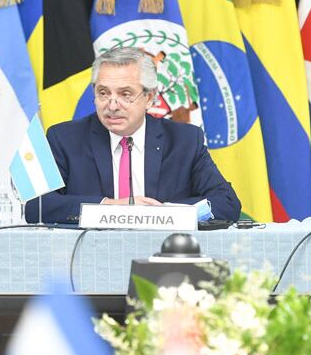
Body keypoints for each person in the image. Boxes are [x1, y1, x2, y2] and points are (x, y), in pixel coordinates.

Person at [25, 47, 241, 223]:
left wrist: (161, 214)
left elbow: (227, 202)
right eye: (103, 93)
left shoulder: (184, 141)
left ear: (149, 97)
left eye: (125, 94)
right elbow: (37, 206)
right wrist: (108, 207)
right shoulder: (64, 138)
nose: (112, 105)